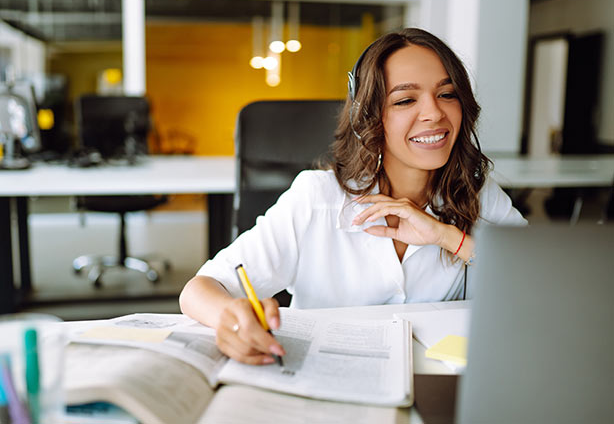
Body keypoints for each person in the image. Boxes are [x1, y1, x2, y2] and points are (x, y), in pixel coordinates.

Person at [179, 27, 526, 365]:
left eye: (447, 94)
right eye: (405, 100)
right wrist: (232, 318)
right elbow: (200, 289)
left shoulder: (476, 193)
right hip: (322, 379)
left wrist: (448, 236)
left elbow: (538, 282)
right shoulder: (317, 197)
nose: (434, 113)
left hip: (436, 385)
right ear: (369, 116)